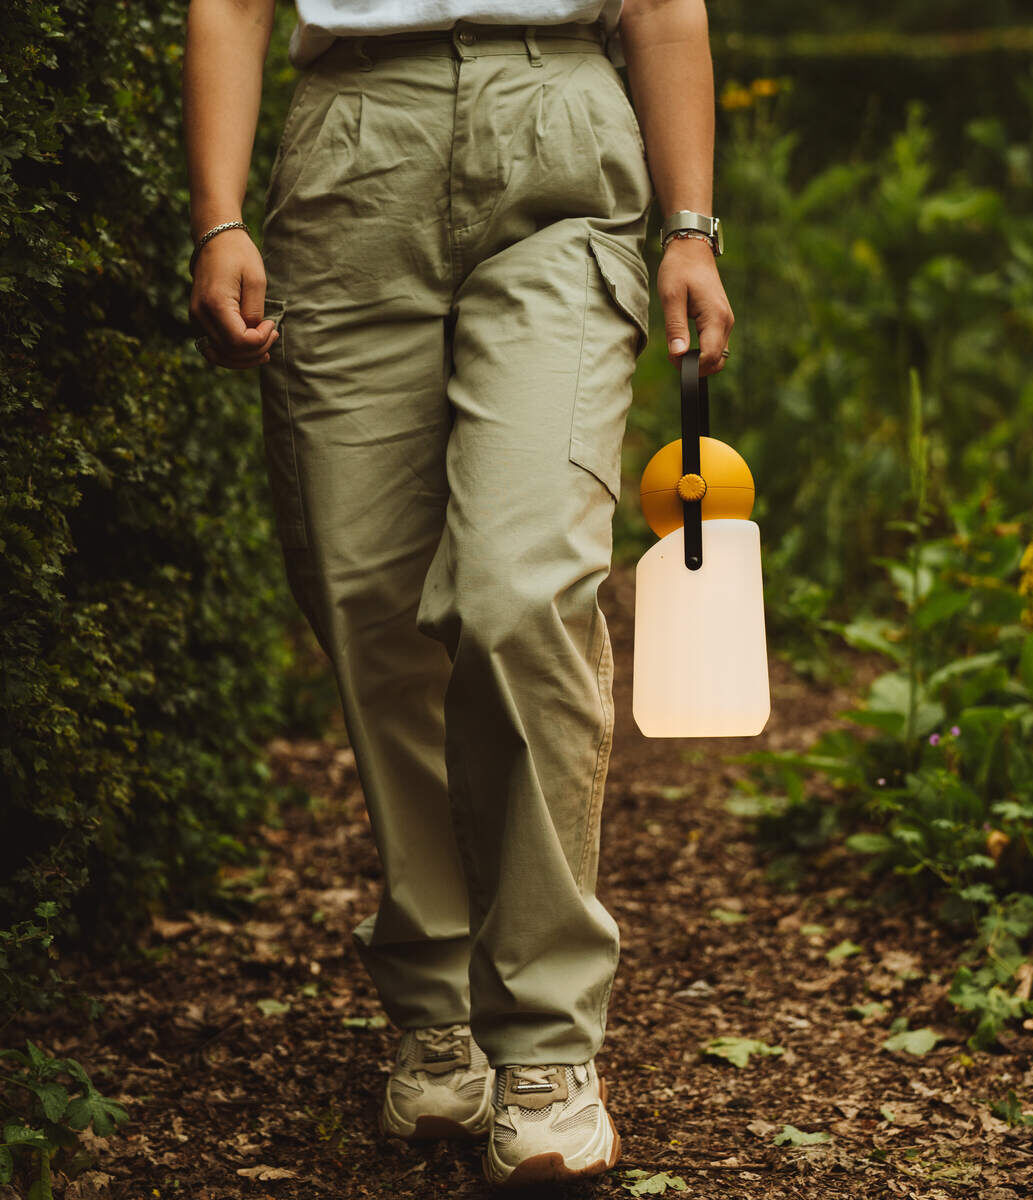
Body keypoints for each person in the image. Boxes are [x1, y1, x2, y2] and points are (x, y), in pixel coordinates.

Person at [182, 0, 733, 1185]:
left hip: (563, 136)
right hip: (351, 151)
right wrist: (218, 216)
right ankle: (434, 1000)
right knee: (367, 602)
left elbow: (660, 9)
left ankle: (545, 1043)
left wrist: (688, 229)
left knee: (520, 584)